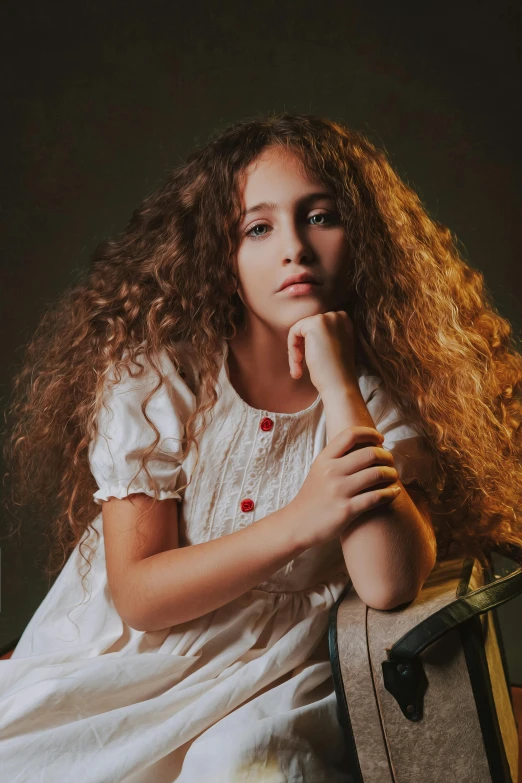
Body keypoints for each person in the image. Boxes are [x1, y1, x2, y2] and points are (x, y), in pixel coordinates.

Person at [1, 112, 521, 782]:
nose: (295, 249)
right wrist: (300, 521)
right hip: (143, 652)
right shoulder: (160, 375)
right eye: (259, 227)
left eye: (321, 217)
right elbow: (136, 593)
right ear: (225, 256)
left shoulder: (383, 392)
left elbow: (388, 581)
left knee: (248, 767)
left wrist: (340, 383)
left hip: (283, 669)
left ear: (361, 238)